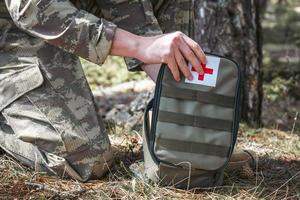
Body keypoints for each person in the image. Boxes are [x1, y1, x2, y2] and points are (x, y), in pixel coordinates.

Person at [0, 0, 255, 182]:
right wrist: (140, 46)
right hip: (14, 33)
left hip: (62, 10)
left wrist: (173, 83)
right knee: (84, 161)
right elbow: (29, 7)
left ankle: (178, 127)